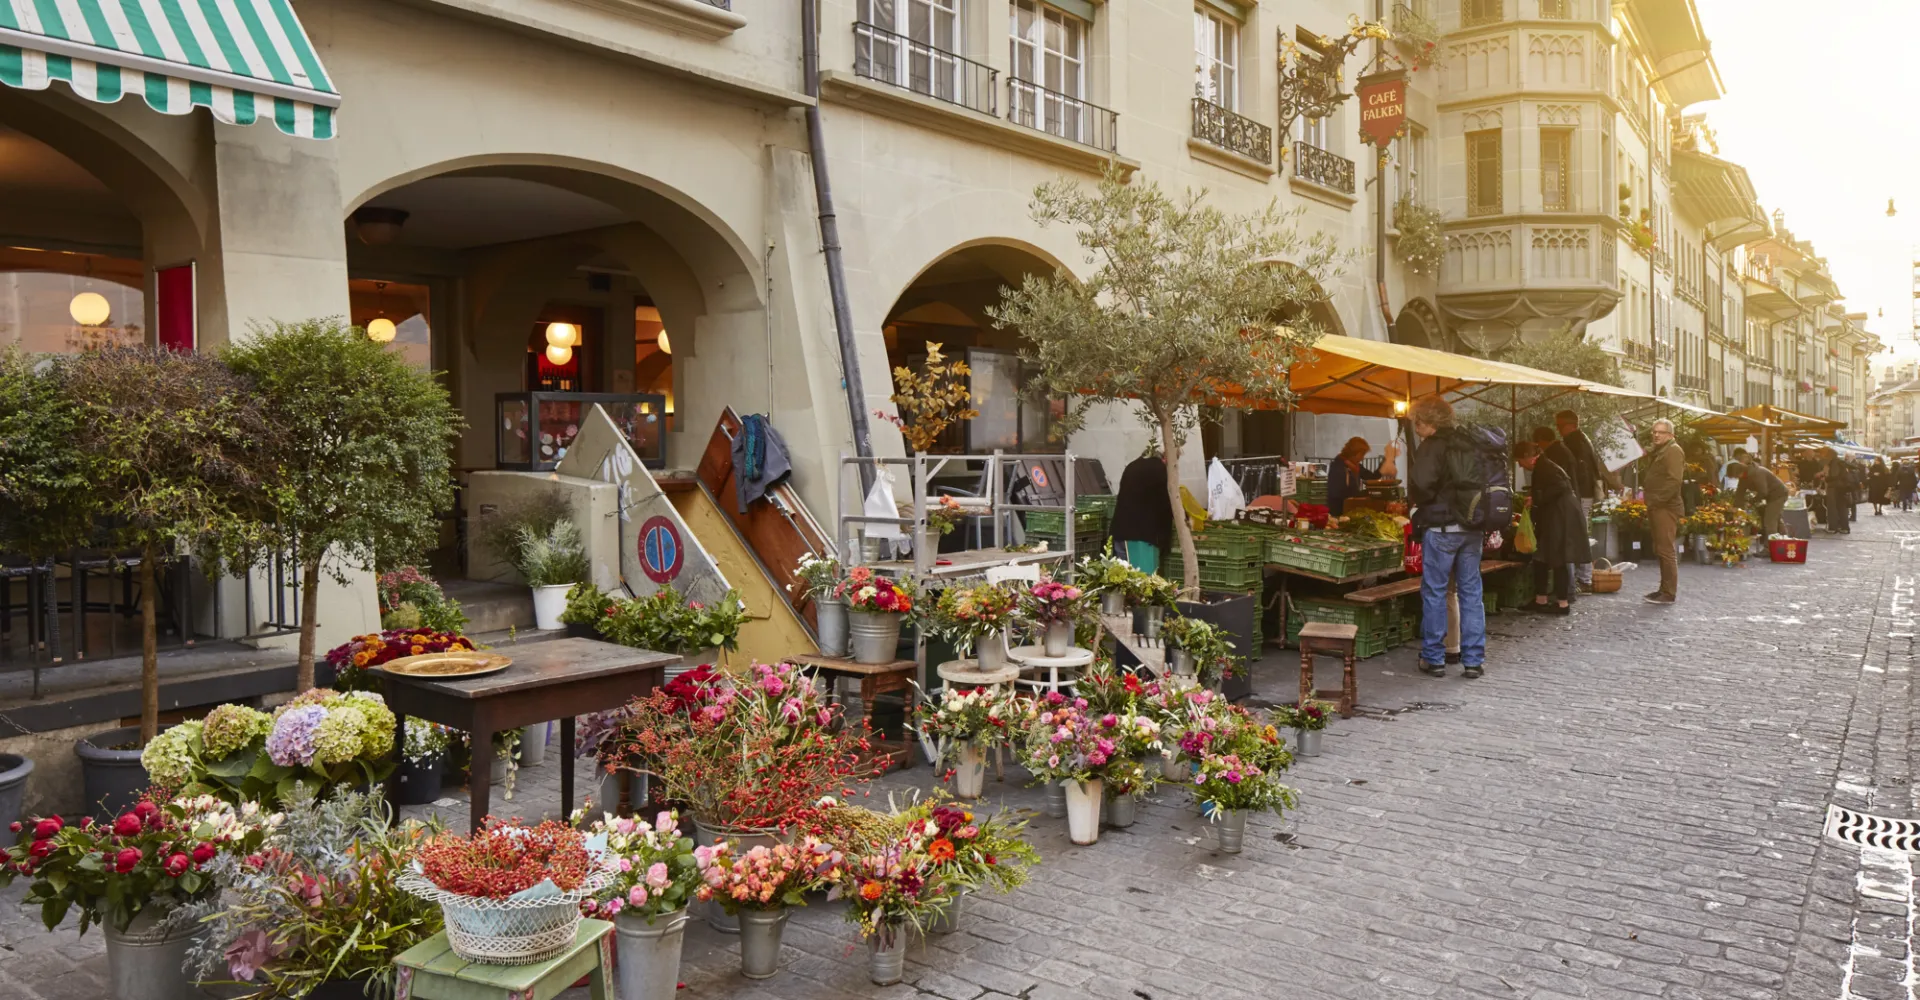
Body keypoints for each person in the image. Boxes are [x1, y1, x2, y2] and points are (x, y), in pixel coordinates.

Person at [1407, 396, 1487, 679]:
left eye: (1418, 422)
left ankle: (1434, 658)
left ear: (1430, 422)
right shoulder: (1471, 443)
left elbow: (1422, 484)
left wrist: (1420, 504)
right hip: (1473, 528)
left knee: (1435, 592)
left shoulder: (1432, 447)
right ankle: (1474, 660)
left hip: (1442, 528)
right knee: (1471, 593)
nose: (1416, 428)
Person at [1515, 441, 1589, 615]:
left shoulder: (1546, 467)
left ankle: (1562, 603)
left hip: (1560, 515)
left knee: (1558, 557)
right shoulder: (1544, 466)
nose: (1519, 464)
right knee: (1542, 557)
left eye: (1520, 460)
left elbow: (1560, 487)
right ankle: (1541, 599)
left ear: (1528, 457)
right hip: (1556, 514)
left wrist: (1536, 499)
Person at [1554, 410, 1611, 592]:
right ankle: (1583, 576)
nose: (1558, 429)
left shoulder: (1574, 442)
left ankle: (1584, 578)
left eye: (1560, 426)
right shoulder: (1583, 439)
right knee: (1582, 533)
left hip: (1580, 493)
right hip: (1585, 492)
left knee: (1579, 534)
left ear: (1571, 425)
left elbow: (1578, 472)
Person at [1642, 418, 1685, 605]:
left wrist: (1657, 501)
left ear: (1670, 435)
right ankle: (1664, 589)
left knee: (1666, 550)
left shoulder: (1673, 451)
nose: (1656, 435)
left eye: (1661, 432)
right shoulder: (1663, 450)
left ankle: (1668, 593)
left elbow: (1674, 481)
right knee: (1661, 549)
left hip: (1665, 507)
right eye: (1654, 432)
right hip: (1659, 505)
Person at [1109, 450, 1171, 574]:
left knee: (1122, 579)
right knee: (1141, 581)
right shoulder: (1158, 469)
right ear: (1166, 456)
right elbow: (1164, 502)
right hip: (1141, 537)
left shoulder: (1133, 465)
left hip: (1120, 530)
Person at [1326, 435, 1399, 516]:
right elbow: (1337, 493)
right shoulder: (1337, 466)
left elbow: (1372, 477)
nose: (1363, 458)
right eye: (1362, 454)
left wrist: (1386, 460)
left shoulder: (1356, 466)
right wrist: (1364, 494)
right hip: (1338, 511)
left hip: (1351, 509)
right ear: (1354, 453)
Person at [1726, 460, 1789, 538]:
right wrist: (1736, 507)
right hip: (1771, 496)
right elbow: (1740, 492)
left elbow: (1763, 492)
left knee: (1770, 521)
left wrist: (1752, 501)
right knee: (1775, 518)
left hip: (1778, 494)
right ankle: (1784, 541)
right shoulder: (1744, 477)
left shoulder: (1757, 473)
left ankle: (1770, 546)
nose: (1736, 478)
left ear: (1740, 471)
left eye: (1736, 476)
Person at [1816, 449, 1852, 534]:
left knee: (1833, 508)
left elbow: (1834, 476)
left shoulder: (1834, 463)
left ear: (1829, 455)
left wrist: (1826, 478)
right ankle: (1844, 528)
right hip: (1841, 488)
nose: (1823, 457)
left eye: (1824, 455)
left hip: (1835, 488)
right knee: (1841, 508)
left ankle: (1833, 528)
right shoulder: (1839, 462)